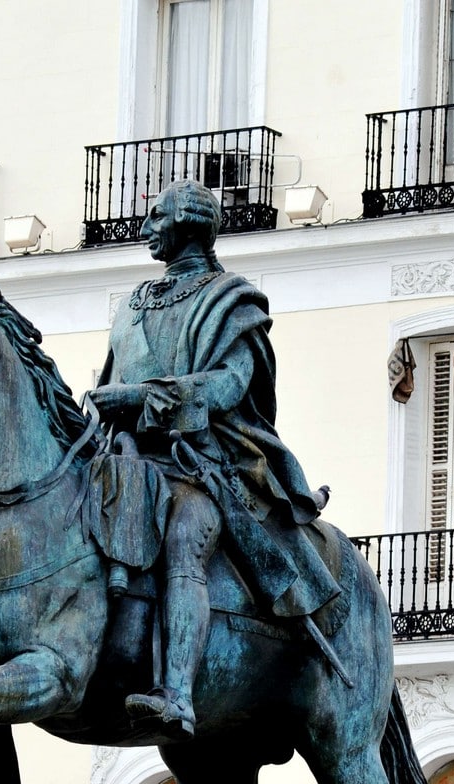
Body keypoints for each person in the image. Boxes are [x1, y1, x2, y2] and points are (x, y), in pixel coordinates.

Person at [89, 180, 339, 739]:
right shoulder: (133, 306)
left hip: (197, 462)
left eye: (157, 217)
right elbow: (110, 379)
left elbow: (229, 386)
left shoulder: (232, 300)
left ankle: (176, 692)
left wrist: (146, 399)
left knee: (185, 538)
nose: (145, 227)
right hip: (124, 458)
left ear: (189, 225)